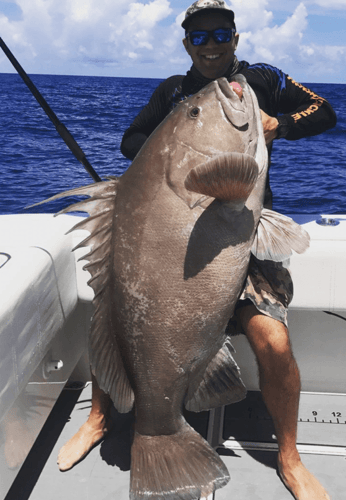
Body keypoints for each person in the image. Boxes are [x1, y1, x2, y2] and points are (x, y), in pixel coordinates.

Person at [57, 2, 336, 499]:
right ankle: (99, 419)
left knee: (274, 342)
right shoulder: (173, 91)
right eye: (200, 37)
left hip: (244, 235)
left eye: (220, 33)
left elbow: (327, 112)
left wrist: (278, 125)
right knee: (116, 312)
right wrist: (173, 146)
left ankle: (289, 459)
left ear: (234, 36)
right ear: (187, 44)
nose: (211, 45)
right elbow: (132, 140)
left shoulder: (261, 80)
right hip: (178, 233)